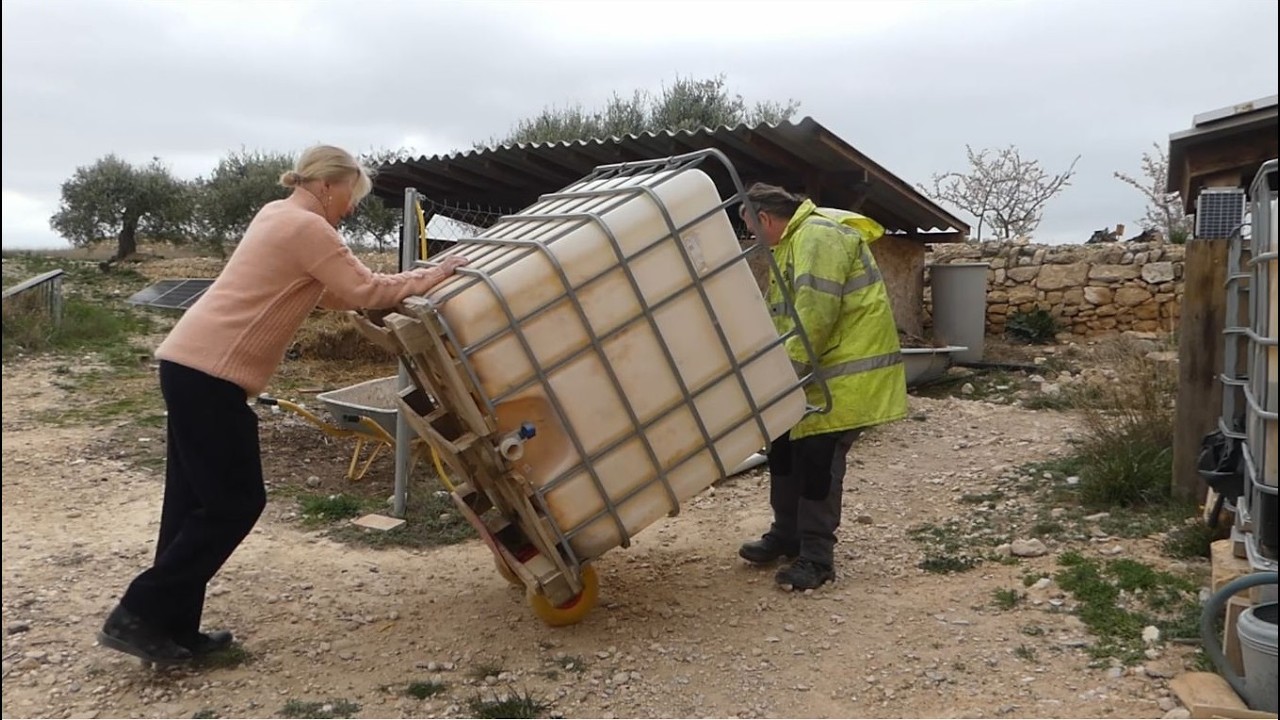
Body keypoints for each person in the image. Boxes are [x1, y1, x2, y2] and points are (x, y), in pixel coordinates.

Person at [97, 145, 469, 665]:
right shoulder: (308, 227)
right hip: (211, 374)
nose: (350, 209)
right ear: (326, 186)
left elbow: (335, 295)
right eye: (350, 196)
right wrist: (437, 274)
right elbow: (362, 288)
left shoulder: (277, 214)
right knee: (235, 503)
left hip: (189, 364)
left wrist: (394, 288)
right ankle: (137, 613)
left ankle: (171, 628)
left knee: (189, 504)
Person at [737, 182, 908, 591]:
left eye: (749, 228)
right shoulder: (793, 243)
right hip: (813, 375)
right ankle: (786, 534)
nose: (751, 239)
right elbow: (784, 319)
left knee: (817, 464)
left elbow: (815, 316)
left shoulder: (818, 236)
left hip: (842, 377)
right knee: (783, 451)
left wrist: (784, 376)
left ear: (764, 218)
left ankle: (816, 558)